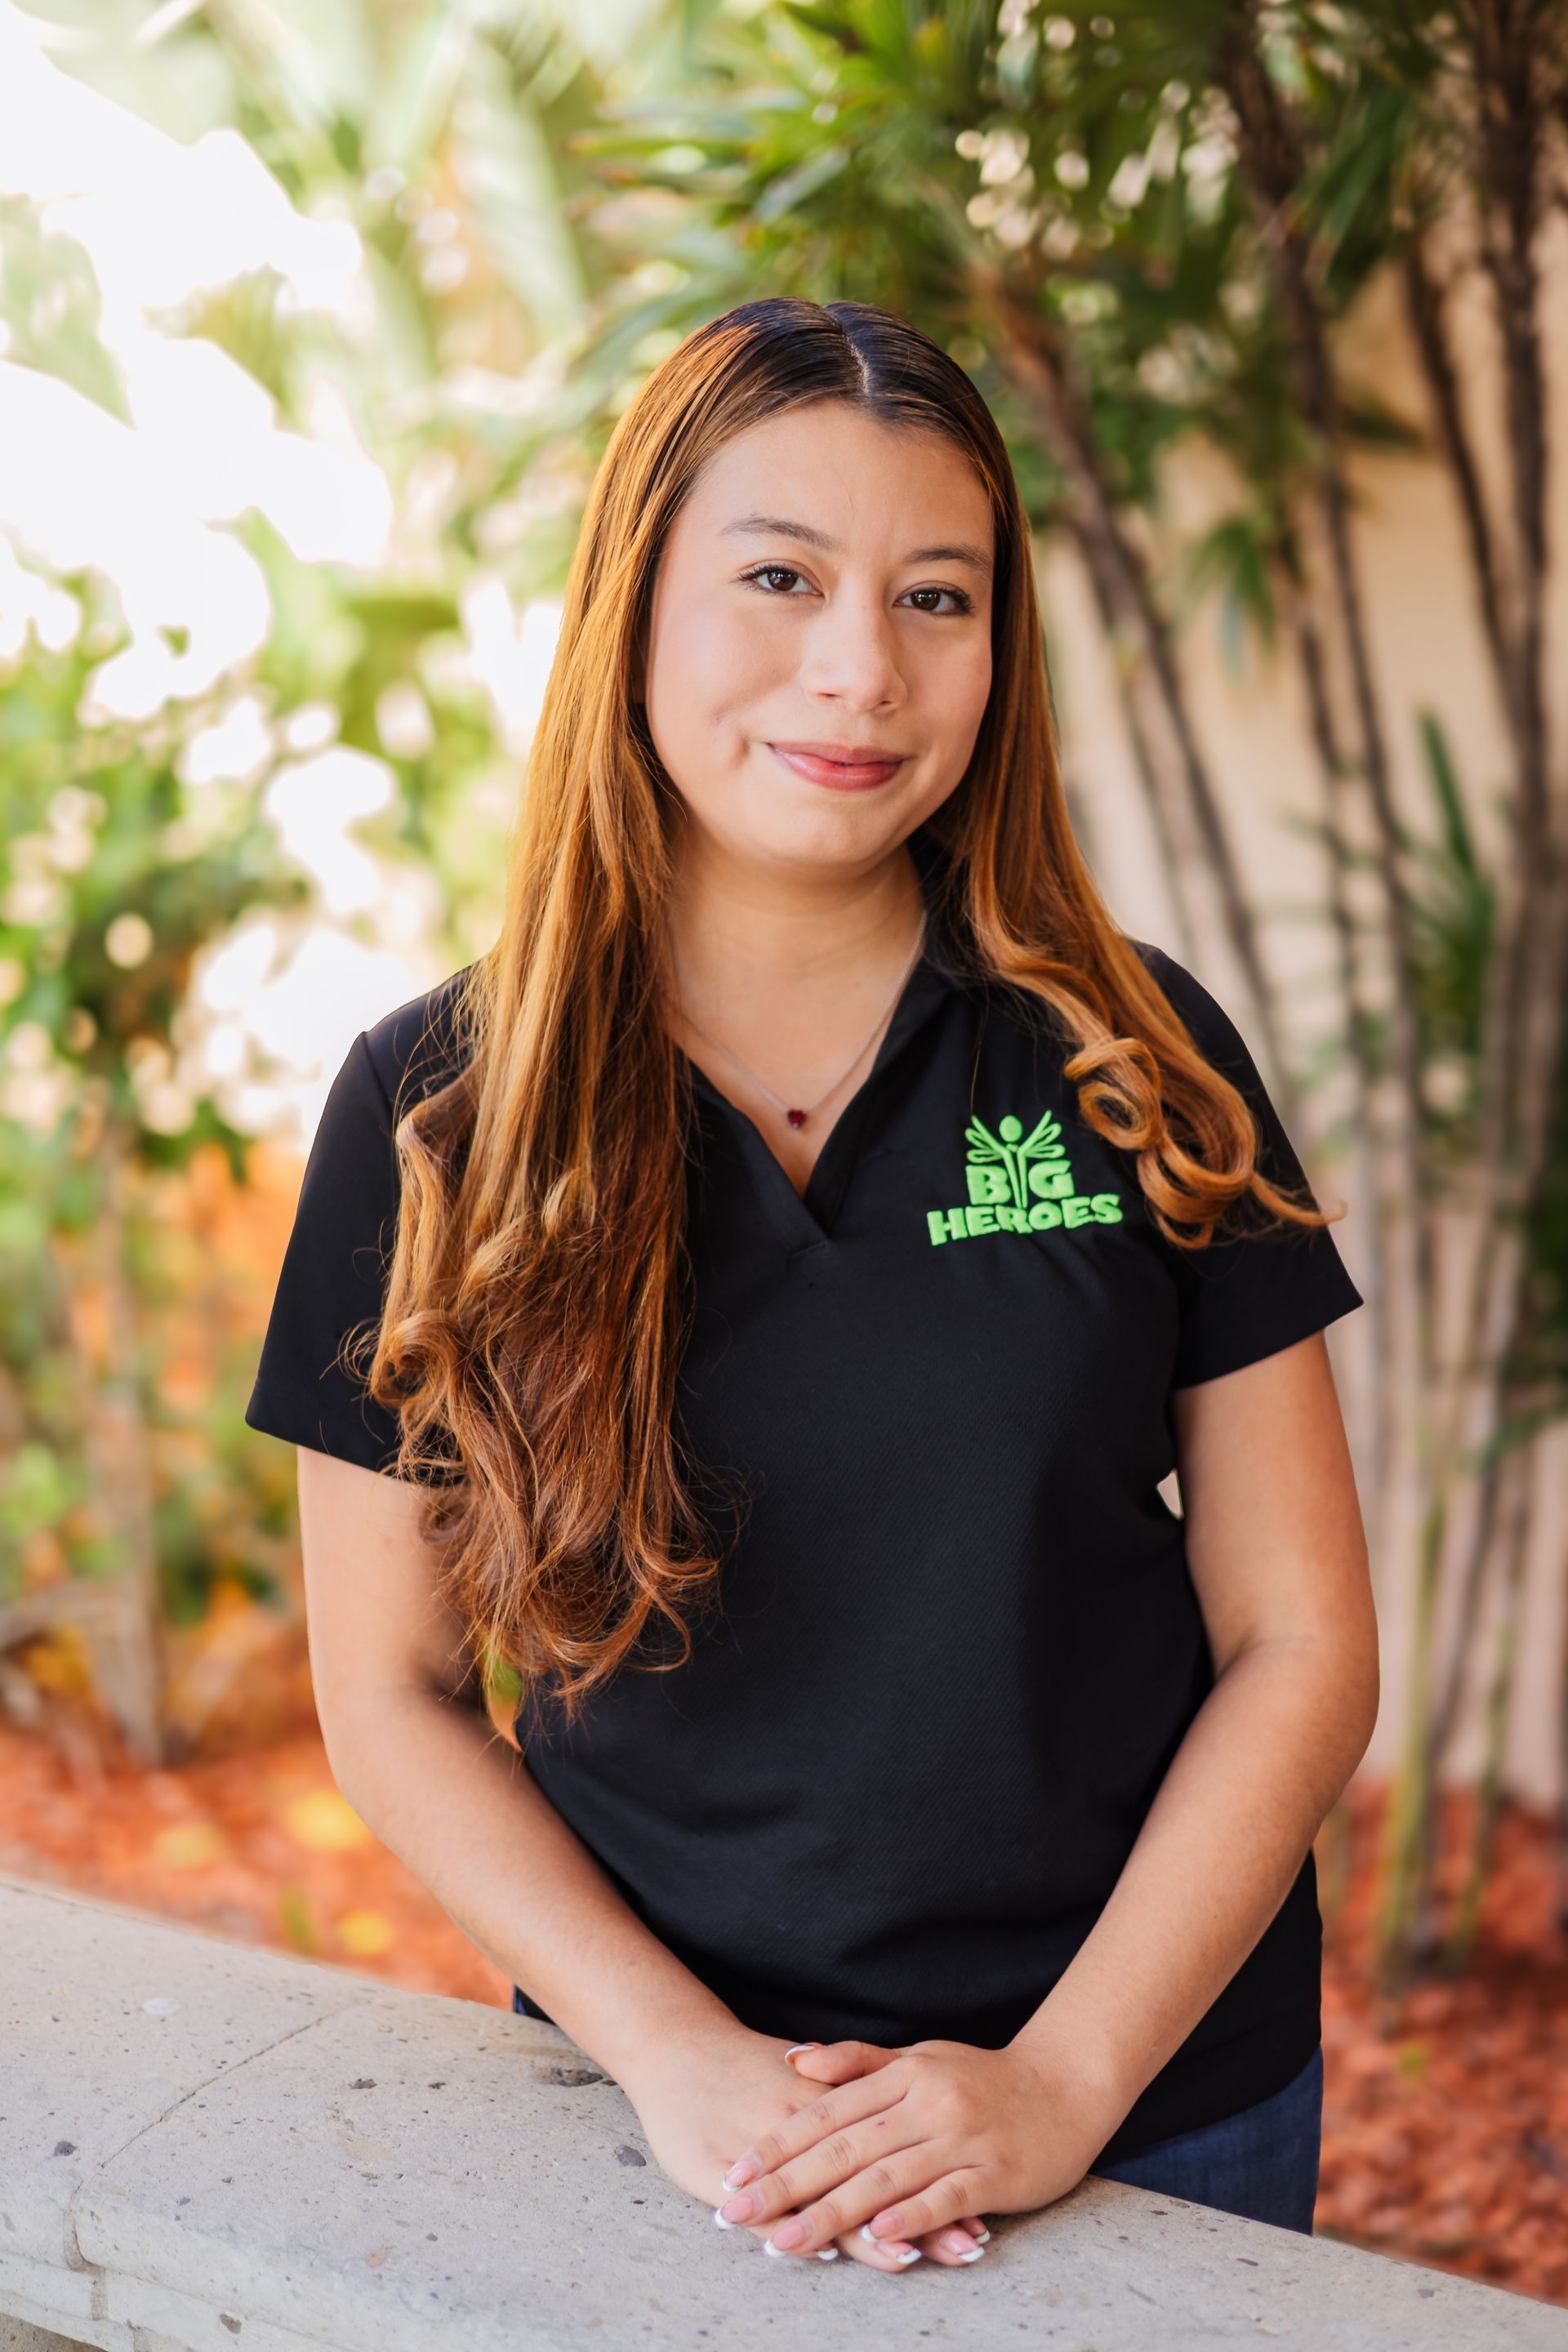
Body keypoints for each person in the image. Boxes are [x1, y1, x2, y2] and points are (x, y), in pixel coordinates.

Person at [245, 296, 1378, 2272]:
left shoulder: (1134, 1055)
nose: (860, 668)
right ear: (639, 601)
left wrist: (1063, 2084)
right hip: (667, 2133)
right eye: (780, 576)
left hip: (1160, 2117)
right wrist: (684, 2065)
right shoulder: (439, 1112)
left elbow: (1300, 1637)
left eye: (939, 597)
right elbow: (396, 1697)